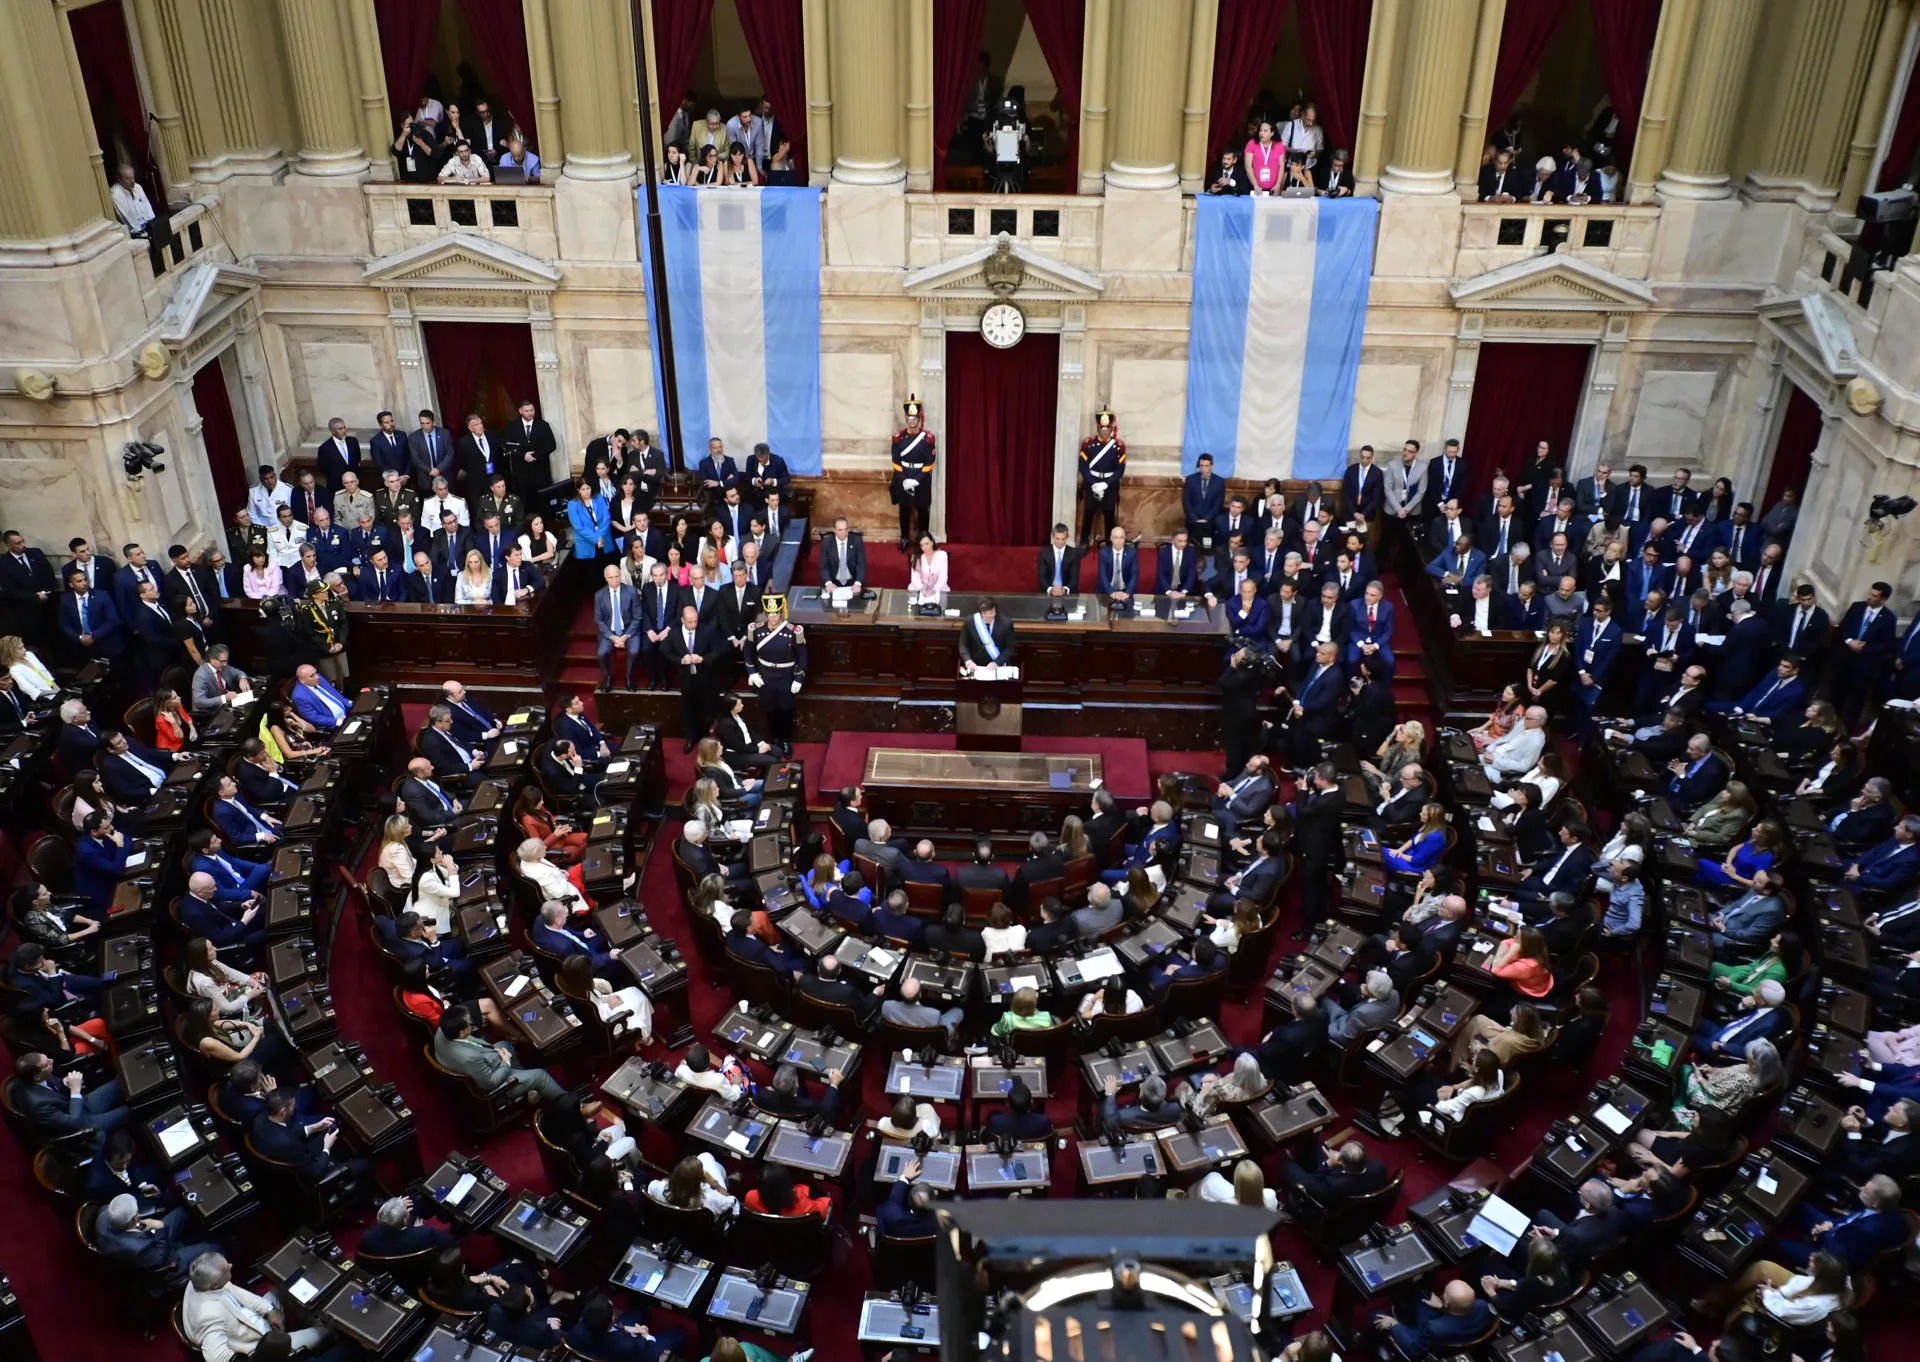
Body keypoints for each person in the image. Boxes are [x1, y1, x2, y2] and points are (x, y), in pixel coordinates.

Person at [432, 1004, 565, 1104]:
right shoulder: (469, 1058)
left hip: (482, 1064)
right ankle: (569, 1103)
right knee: (540, 1075)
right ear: (461, 1033)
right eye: (468, 1024)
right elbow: (491, 1083)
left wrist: (496, 1052)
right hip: (496, 1087)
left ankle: (528, 1087)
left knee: (504, 1044)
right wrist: (505, 1061)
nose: (471, 1023)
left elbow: (473, 1044)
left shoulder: (442, 1031)